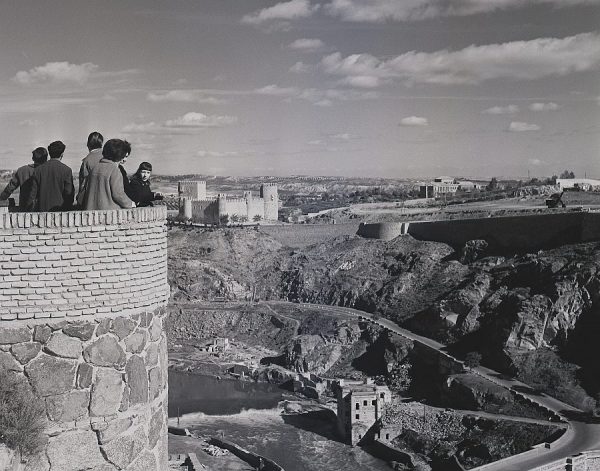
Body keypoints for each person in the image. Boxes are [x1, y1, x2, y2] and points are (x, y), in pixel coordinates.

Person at [82, 139, 133, 210]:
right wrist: (130, 203)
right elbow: (118, 194)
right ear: (120, 154)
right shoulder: (114, 170)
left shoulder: (95, 168)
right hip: (109, 214)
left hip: (92, 213)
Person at [26, 141, 74, 212]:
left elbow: (32, 196)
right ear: (62, 154)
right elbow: (69, 194)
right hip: (61, 212)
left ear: (50, 154)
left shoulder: (38, 170)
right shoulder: (67, 170)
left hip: (42, 212)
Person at [77, 131, 104, 206]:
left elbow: (83, 184)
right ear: (101, 143)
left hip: (91, 200)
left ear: (88, 144)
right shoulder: (108, 157)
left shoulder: (86, 161)